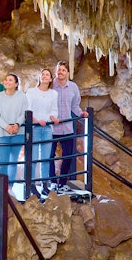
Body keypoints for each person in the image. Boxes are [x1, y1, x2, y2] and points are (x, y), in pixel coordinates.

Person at [49, 61, 89, 192]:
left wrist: (81, 113)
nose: (60, 72)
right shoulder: (50, 85)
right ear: (56, 72)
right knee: (49, 155)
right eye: (58, 70)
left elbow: (74, 106)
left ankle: (63, 182)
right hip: (51, 127)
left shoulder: (73, 87)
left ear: (68, 73)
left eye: (63, 70)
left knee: (68, 155)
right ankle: (53, 181)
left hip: (66, 127)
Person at [0, 74, 28, 194]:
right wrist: (7, 127)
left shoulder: (22, 96)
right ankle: (1, 188)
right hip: (2, 133)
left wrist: (17, 124)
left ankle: (10, 188)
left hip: (18, 133)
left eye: (10, 80)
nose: (7, 82)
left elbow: (24, 113)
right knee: (3, 162)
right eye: (6, 80)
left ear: (16, 84)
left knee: (13, 162)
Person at [26, 69, 59, 199]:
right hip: (35, 126)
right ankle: (32, 184)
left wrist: (53, 118)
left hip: (47, 127)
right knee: (33, 157)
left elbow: (53, 109)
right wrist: (36, 121)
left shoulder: (53, 94)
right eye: (43, 74)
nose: (45, 76)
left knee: (46, 157)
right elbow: (28, 109)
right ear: (40, 77)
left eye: (47, 75)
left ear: (51, 79)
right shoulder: (31, 92)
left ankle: (45, 184)